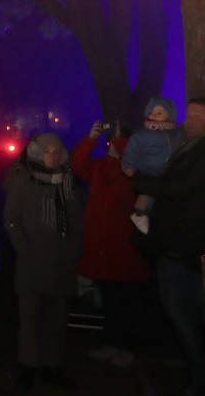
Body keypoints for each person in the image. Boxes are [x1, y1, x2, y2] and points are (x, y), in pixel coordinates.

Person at [131, 96, 205, 396]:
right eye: (188, 114)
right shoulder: (196, 147)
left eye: (196, 115)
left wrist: (141, 183)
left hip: (189, 247)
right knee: (186, 315)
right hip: (184, 246)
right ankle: (202, 378)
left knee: (185, 314)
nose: (188, 120)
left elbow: (180, 188)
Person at [4, 132, 83, 391]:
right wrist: (24, 249)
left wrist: (73, 252)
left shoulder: (68, 182)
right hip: (32, 262)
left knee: (57, 320)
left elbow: (77, 222)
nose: (52, 155)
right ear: (37, 153)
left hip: (62, 263)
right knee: (29, 317)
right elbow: (12, 218)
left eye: (56, 151)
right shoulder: (24, 181)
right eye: (47, 150)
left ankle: (53, 367)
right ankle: (28, 367)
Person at [71, 121, 150, 369]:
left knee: (127, 301)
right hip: (102, 246)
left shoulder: (136, 173)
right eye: (111, 144)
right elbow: (77, 164)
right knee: (110, 299)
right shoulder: (99, 168)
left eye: (118, 144)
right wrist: (90, 138)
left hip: (125, 248)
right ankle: (112, 343)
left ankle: (127, 348)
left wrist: (119, 141)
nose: (113, 148)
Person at [121, 96, 181, 232]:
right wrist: (129, 165)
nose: (154, 115)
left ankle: (145, 215)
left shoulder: (175, 133)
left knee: (158, 194)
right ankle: (140, 214)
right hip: (149, 170)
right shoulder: (143, 135)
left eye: (159, 113)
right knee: (148, 192)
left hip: (169, 173)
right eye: (152, 112)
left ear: (169, 115)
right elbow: (132, 150)